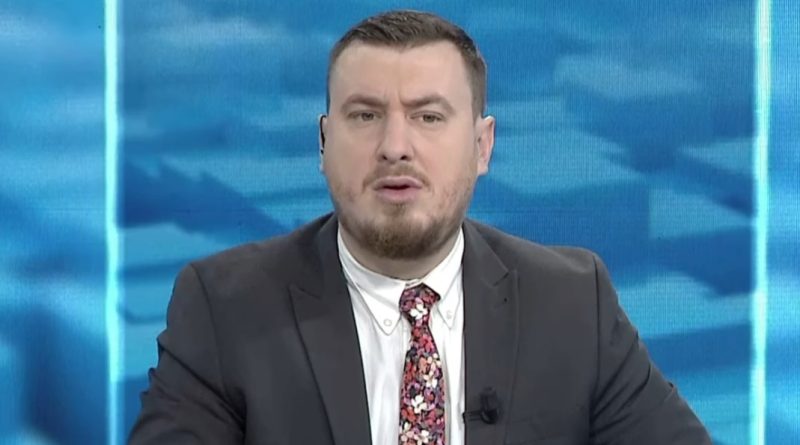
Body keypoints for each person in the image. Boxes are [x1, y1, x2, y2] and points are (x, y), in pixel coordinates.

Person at [128, 9, 712, 445]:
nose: (395, 146)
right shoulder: (225, 309)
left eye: (428, 117)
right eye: (365, 115)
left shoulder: (573, 302)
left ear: (482, 146)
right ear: (324, 142)